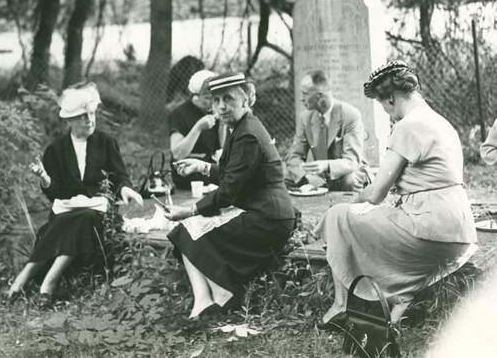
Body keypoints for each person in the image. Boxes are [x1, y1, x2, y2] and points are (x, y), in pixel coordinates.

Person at [316, 60, 477, 327]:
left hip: (429, 228)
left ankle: (340, 306)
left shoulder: (408, 125)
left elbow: (377, 193)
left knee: (337, 215)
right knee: (377, 217)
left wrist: (355, 199)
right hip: (459, 232)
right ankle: (402, 298)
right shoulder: (440, 121)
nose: (386, 112)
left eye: (382, 105)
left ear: (390, 99)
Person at [164, 72, 296, 319]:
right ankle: (206, 298)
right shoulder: (241, 127)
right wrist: (200, 166)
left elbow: (228, 192)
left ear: (246, 100)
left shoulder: (247, 134)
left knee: (188, 228)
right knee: (188, 230)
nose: (221, 106)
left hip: (267, 220)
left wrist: (191, 209)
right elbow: (233, 174)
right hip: (263, 213)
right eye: (216, 100)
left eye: (229, 99)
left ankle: (220, 294)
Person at [7, 84, 143, 307]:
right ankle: (39, 281)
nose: (89, 120)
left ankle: (37, 279)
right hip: (67, 212)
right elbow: (56, 194)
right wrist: (45, 177)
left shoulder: (106, 142)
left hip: (100, 213)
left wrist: (126, 189)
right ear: (68, 121)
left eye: (91, 114)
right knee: (75, 219)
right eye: (82, 117)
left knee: (86, 217)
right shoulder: (56, 150)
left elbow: (120, 177)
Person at [286, 69, 369, 192]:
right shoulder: (305, 118)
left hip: (348, 173)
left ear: (319, 96)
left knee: (349, 180)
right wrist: (306, 176)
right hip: (320, 176)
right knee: (284, 181)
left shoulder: (350, 115)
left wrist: (326, 165)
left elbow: (352, 162)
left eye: (305, 93)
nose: (301, 99)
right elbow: (293, 156)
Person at [168, 69, 225, 189]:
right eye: (207, 98)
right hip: (188, 175)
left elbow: (221, 148)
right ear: (196, 95)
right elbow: (178, 154)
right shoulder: (179, 114)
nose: (212, 103)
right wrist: (198, 128)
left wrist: (222, 125)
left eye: (215, 98)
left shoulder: (216, 109)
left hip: (211, 172)